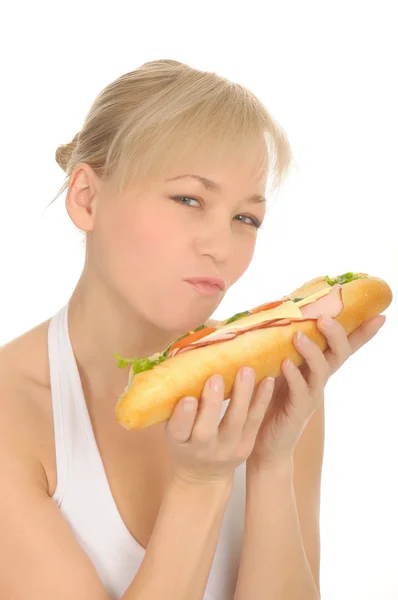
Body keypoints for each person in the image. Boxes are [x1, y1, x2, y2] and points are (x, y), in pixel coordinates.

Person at [1, 58, 384, 600]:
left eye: (245, 218)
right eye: (189, 199)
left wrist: (271, 461)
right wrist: (200, 483)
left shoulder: (275, 387)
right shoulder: (10, 413)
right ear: (86, 197)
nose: (221, 247)